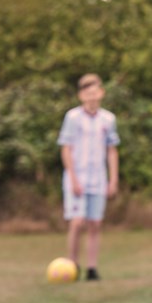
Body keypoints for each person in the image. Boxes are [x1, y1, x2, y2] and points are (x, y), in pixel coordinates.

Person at [58, 73, 119, 281]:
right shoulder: (73, 118)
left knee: (95, 223)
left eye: (95, 92)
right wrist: (73, 178)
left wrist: (113, 179)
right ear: (81, 95)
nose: (92, 97)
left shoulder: (108, 119)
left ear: (101, 93)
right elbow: (66, 149)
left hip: (98, 178)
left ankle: (92, 268)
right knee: (77, 222)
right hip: (77, 177)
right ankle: (72, 265)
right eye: (87, 93)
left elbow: (112, 150)